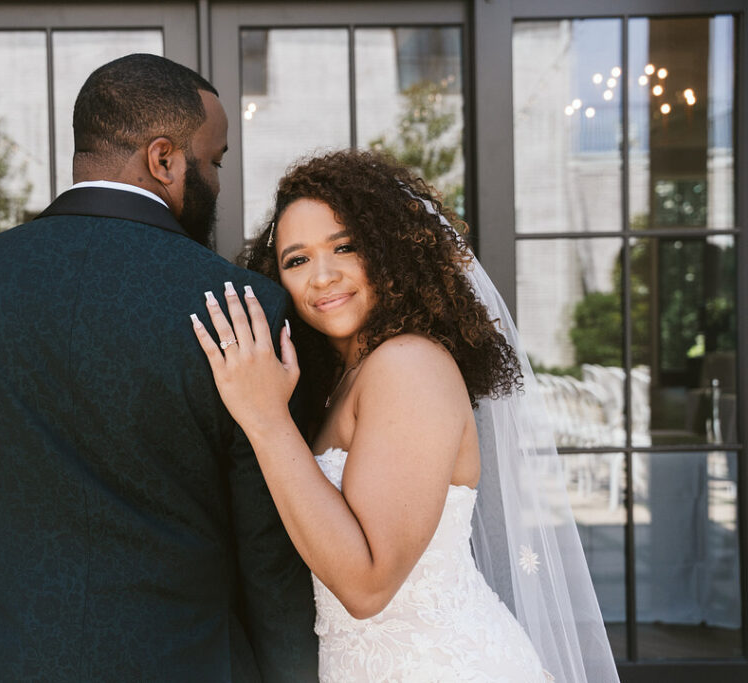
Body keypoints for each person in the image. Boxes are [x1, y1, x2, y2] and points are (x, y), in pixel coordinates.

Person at [0, 53, 318, 682]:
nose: (218, 183)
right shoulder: (244, 308)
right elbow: (270, 554)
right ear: (164, 159)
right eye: (215, 161)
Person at [191, 149, 620, 682]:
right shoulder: (345, 380)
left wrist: (264, 417)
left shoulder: (409, 364)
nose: (322, 277)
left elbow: (368, 584)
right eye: (296, 260)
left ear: (392, 251)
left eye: (344, 247)